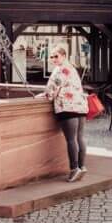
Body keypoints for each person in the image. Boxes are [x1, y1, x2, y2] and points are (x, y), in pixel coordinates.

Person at [40, 45, 89, 182]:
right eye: (52, 56)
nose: (54, 59)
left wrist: (46, 95)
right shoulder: (72, 68)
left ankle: (74, 169)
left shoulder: (61, 70)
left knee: (71, 139)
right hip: (80, 106)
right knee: (79, 138)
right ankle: (82, 166)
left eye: (56, 56)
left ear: (63, 56)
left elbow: (53, 89)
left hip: (67, 107)